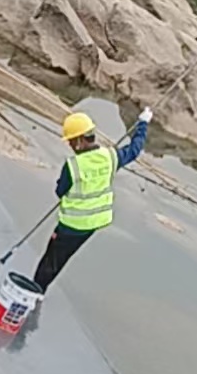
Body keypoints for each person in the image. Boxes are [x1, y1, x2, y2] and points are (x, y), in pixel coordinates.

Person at [33, 107, 153, 293]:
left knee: (51, 262)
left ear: (80, 140)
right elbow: (134, 150)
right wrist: (143, 123)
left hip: (71, 225)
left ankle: (34, 292)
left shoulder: (73, 165)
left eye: (71, 141)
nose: (70, 145)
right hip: (93, 224)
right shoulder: (111, 157)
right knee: (63, 258)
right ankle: (38, 291)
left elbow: (60, 191)